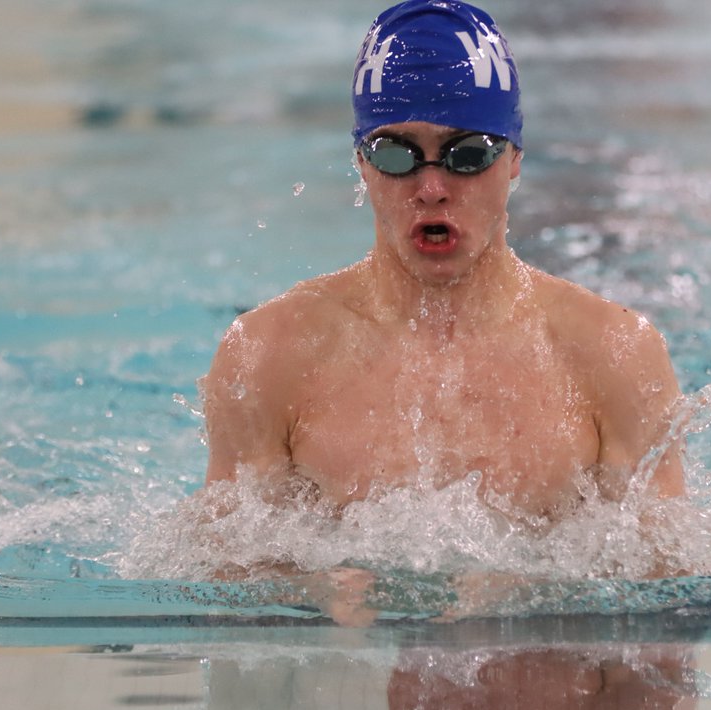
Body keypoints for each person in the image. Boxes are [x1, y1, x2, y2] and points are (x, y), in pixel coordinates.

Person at [201, 0, 684, 577]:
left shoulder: (614, 355)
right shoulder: (267, 356)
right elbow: (222, 590)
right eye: (395, 154)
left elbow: (665, 615)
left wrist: (530, 599)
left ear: (514, 161)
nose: (431, 187)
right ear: (361, 163)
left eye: (469, 154)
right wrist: (308, 595)